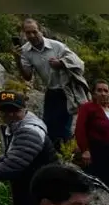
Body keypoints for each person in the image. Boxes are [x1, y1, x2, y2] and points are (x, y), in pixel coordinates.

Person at [13, 18, 87, 149]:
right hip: (51, 91)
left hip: (66, 91)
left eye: (34, 32)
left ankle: (66, 154)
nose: (32, 35)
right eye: (28, 33)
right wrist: (17, 59)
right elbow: (27, 76)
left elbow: (79, 63)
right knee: (47, 124)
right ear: (24, 34)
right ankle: (51, 154)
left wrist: (61, 63)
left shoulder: (56, 46)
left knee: (64, 127)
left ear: (41, 31)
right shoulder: (25, 51)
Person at [74, 79, 109, 205]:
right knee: (101, 180)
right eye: (99, 90)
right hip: (98, 152)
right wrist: (85, 149)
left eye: (106, 91)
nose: (103, 93)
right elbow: (80, 129)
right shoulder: (87, 108)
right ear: (94, 93)